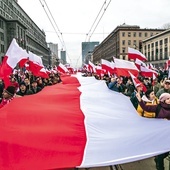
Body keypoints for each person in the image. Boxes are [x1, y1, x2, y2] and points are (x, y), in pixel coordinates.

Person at [136, 92, 170, 170]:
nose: (169, 100)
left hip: (168, 134)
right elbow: (146, 108)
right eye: (168, 98)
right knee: (161, 153)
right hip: (160, 134)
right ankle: (160, 167)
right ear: (164, 100)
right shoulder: (158, 107)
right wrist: (140, 99)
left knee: (166, 152)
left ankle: (157, 158)